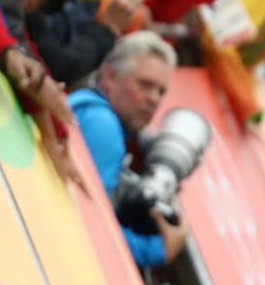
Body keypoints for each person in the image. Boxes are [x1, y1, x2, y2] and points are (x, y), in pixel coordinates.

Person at [69, 31, 188, 269]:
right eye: (145, 85)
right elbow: (85, 222)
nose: (154, 99)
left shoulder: (87, 107)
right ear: (109, 77)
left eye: (161, 91)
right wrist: (157, 250)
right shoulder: (103, 124)